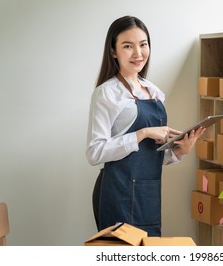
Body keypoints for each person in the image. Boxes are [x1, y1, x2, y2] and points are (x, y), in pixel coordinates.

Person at [86, 16, 205, 236]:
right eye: (128, 46)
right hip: (117, 193)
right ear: (113, 51)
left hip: (147, 193)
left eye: (143, 44)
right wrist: (142, 133)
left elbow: (147, 155)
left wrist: (178, 151)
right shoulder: (106, 93)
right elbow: (94, 153)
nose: (138, 53)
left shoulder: (154, 92)